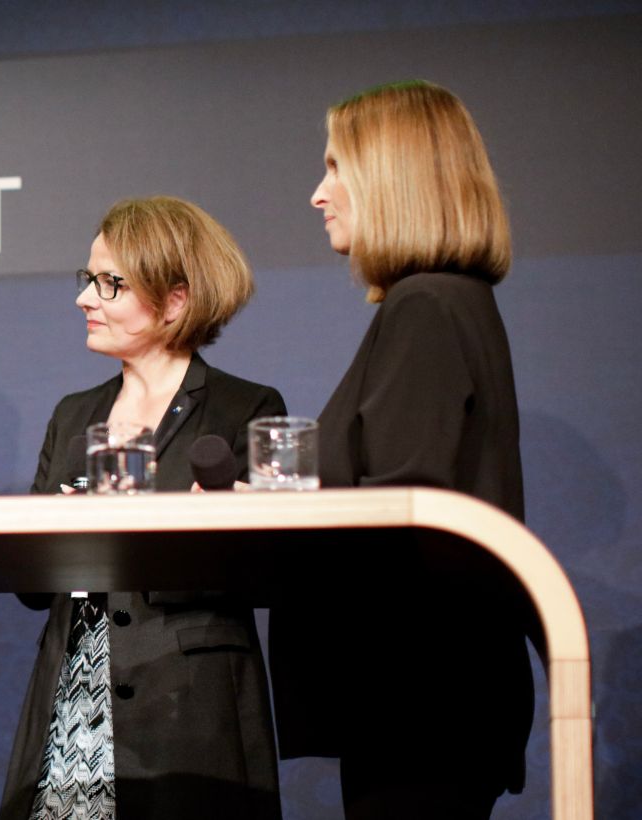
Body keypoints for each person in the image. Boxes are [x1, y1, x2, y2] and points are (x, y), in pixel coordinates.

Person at [271, 80, 530, 819]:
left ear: (392, 177)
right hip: (439, 695)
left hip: (422, 697)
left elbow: (398, 513)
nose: (318, 195)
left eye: (334, 168)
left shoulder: (424, 305)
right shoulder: (452, 299)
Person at [0, 197, 285, 820]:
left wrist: (199, 536)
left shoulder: (245, 409)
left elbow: (270, 576)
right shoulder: (74, 414)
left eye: (111, 284)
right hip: (74, 709)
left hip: (190, 712)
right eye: (89, 280)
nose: (85, 299)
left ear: (175, 300)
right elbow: (29, 586)